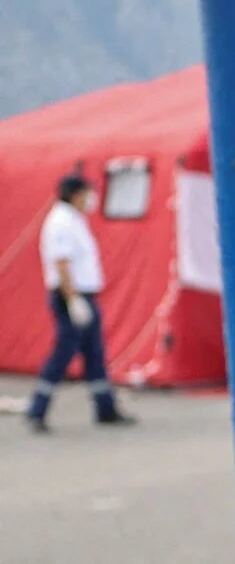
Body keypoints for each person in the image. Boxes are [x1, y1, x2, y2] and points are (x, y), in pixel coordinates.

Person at [26, 174, 135, 433]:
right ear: (76, 194)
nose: (91, 199)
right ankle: (38, 408)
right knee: (64, 352)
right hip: (70, 296)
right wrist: (73, 299)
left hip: (84, 295)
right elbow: (61, 263)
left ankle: (105, 407)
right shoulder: (61, 222)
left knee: (94, 353)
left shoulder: (74, 219)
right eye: (87, 193)